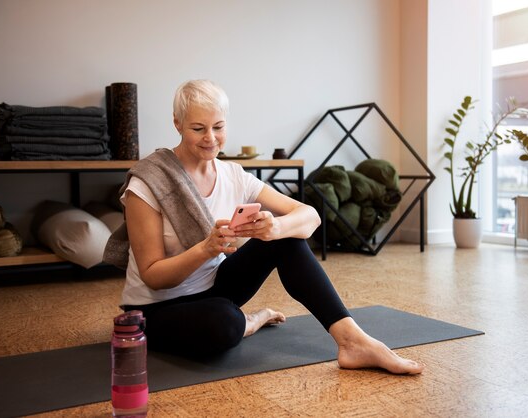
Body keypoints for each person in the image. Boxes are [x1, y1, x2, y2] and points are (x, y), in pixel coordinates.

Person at [105, 79, 424, 375]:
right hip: (156, 308)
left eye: (218, 127)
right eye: (198, 128)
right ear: (177, 124)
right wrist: (206, 248)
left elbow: (309, 217)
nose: (210, 138)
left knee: (288, 238)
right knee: (225, 324)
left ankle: (353, 340)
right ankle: (249, 321)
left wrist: (276, 226)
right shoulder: (147, 182)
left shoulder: (233, 175)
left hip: (212, 288)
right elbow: (152, 276)